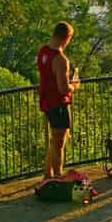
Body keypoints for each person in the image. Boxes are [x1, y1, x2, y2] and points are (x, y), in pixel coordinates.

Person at [37, 21, 80, 180]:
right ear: (67, 37)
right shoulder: (61, 59)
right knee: (59, 143)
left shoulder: (43, 51)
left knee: (55, 140)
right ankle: (57, 175)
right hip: (58, 103)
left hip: (46, 100)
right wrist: (74, 86)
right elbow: (63, 88)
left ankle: (47, 174)